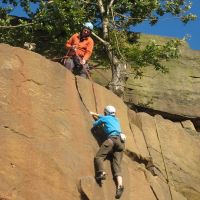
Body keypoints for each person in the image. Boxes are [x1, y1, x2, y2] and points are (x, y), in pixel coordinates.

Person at [91, 105, 126, 199]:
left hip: (111, 140)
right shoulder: (117, 120)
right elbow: (103, 117)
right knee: (116, 165)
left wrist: (94, 119)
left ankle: (101, 173)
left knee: (99, 156)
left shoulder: (105, 118)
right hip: (120, 143)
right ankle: (120, 186)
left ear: (106, 112)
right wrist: (95, 114)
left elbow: (96, 124)